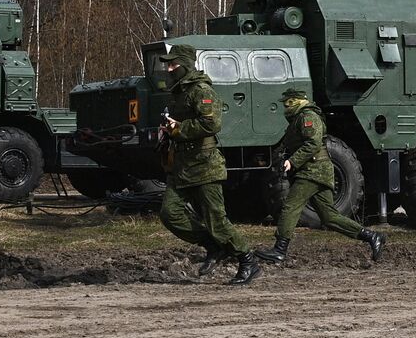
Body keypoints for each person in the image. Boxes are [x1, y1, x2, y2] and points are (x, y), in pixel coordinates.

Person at [156, 44, 260, 285]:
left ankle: (248, 260)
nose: (169, 69)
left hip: (204, 166)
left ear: (186, 65)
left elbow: (211, 124)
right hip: (181, 166)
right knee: (170, 213)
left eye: (174, 64)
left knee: (217, 220)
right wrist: (169, 130)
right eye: (168, 65)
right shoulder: (179, 92)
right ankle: (213, 245)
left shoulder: (202, 90)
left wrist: (179, 129)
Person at [256, 88, 385, 264]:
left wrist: (293, 161)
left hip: (313, 171)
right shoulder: (297, 120)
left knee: (290, 207)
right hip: (314, 171)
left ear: (297, 102)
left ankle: (280, 250)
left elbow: (313, 144)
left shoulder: (308, 117)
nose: (285, 107)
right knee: (329, 217)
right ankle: (372, 236)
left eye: (288, 103)